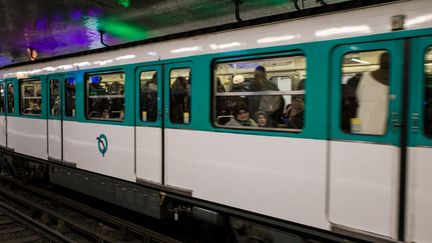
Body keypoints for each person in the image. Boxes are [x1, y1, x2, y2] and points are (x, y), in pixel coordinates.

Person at [342, 52, 389, 134]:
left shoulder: (366, 77)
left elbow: (355, 107)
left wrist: (355, 130)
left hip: (363, 126)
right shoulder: (402, 79)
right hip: (386, 129)